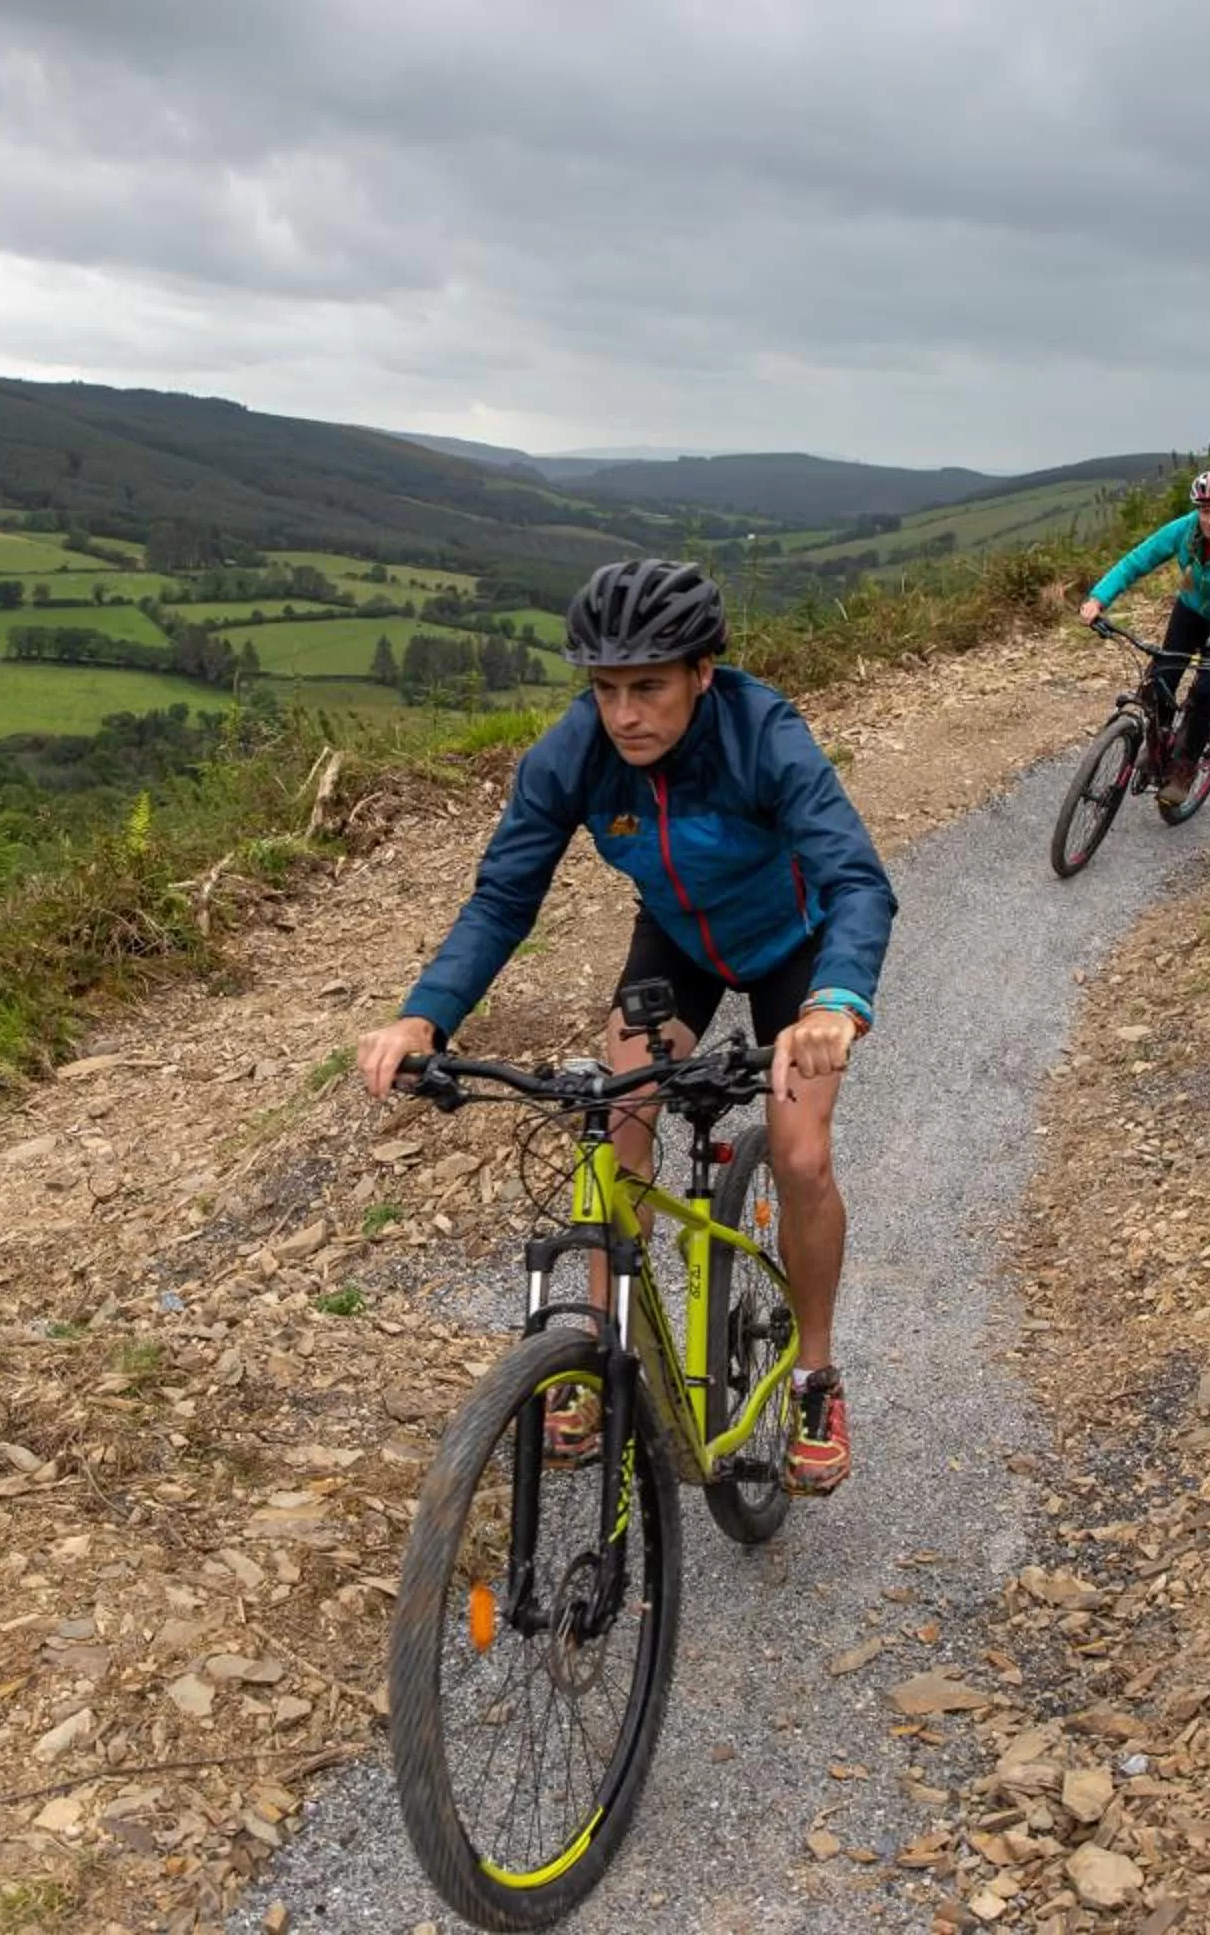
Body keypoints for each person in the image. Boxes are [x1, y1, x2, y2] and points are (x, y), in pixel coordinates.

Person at [356, 557, 894, 1495]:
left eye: (648, 687)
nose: (624, 714)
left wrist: (835, 1003)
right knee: (613, 1125)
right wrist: (423, 1015)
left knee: (802, 1154)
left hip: (795, 952)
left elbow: (856, 878)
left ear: (702, 673)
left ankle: (814, 1374)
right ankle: (602, 1361)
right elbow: (504, 897)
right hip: (679, 945)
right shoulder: (574, 752)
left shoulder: (763, 733)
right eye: (605, 690)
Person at [1079, 467, 1210, 802]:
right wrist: (1099, 599)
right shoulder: (1185, 530)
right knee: (1160, 678)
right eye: (1205, 511)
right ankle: (1159, 747)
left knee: (1204, 688)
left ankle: (1184, 766)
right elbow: (1136, 561)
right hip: (1192, 608)